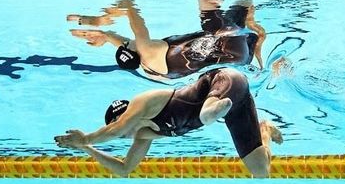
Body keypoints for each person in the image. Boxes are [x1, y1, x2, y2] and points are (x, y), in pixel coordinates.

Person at [54, 68, 283, 177]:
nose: (124, 135)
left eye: (121, 125)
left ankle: (216, 109)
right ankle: (265, 129)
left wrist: (86, 137)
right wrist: (86, 147)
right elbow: (124, 169)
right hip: (237, 105)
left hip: (224, 81)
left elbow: (117, 128)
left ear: (124, 115)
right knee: (261, 171)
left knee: (206, 116)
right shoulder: (144, 134)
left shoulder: (144, 103)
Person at [68, 0, 266, 79]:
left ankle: (254, 35)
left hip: (240, 58)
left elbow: (128, 46)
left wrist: (107, 37)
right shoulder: (145, 48)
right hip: (225, 40)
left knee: (237, 18)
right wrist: (100, 20)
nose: (129, 42)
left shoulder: (148, 66)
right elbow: (128, 5)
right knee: (209, 4)